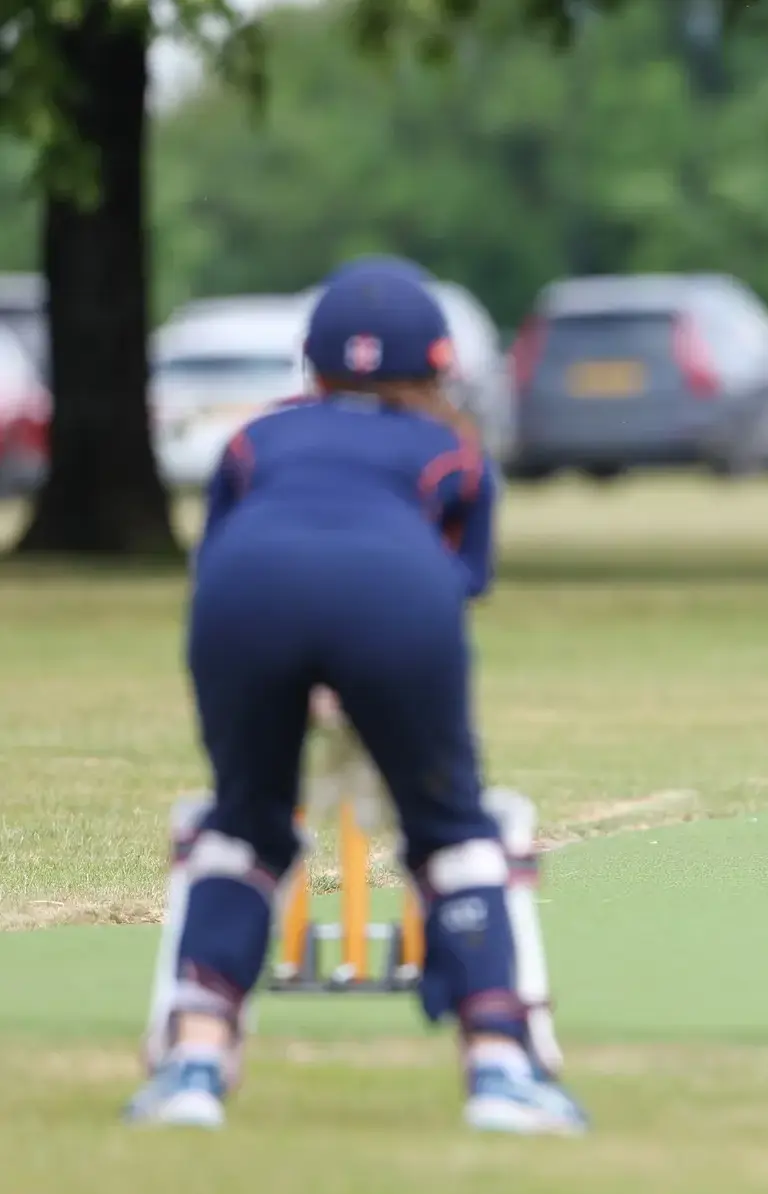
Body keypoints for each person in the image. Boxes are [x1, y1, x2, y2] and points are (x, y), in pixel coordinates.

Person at [125, 256, 587, 1134]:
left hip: (240, 597)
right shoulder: (454, 448)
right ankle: (500, 1070)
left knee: (244, 827)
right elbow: (457, 583)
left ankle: (192, 1064)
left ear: (313, 363)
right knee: (453, 833)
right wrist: (363, 678)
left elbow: (223, 557)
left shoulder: (255, 439)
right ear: (439, 364)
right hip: (397, 598)